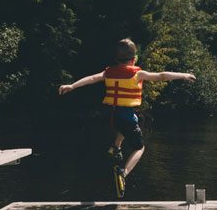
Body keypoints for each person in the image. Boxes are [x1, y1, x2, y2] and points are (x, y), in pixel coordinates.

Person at [58, 38, 195, 198]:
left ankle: (115, 146)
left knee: (130, 121)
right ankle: (124, 172)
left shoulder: (108, 72)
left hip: (111, 115)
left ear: (116, 59)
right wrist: (183, 75)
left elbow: (91, 79)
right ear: (134, 58)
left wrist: (72, 86)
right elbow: (161, 76)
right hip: (125, 117)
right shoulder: (137, 74)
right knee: (139, 148)